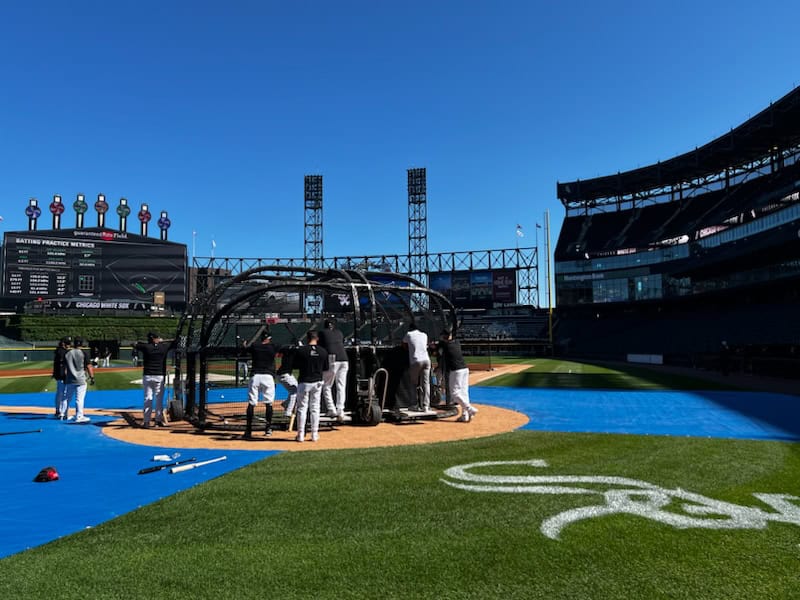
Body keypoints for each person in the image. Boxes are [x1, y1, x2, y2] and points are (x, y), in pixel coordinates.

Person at [293, 330, 328, 442]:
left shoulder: (301, 350)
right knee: (315, 408)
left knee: (302, 408)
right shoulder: (323, 351)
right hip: (317, 381)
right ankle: (314, 434)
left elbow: (295, 365)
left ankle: (301, 434)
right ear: (317, 338)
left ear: (307, 338)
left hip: (304, 381)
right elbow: (326, 368)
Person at [436, 329, 477, 422]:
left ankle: (470, 409)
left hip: (456, 370)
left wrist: (435, 345)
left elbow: (439, 349)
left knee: (455, 393)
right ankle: (464, 415)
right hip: (464, 369)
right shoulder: (456, 342)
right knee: (464, 393)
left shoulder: (445, 345)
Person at [241, 331, 277, 438]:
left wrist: (244, 345)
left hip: (255, 376)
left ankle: (248, 430)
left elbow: (246, 349)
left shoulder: (255, 346)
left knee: (251, 403)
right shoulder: (273, 347)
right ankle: (268, 428)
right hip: (268, 377)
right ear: (269, 339)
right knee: (269, 403)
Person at [134, 332, 173, 428]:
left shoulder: (146, 347)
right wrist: (161, 341)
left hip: (148, 375)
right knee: (159, 399)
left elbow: (134, 344)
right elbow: (175, 342)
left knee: (148, 398)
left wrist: (146, 343)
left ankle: (146, 422)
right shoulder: (163, 347)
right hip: (159, 375)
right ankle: (158, 421)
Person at [319, 319, 349, 421]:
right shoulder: (339, 332)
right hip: (344, 358)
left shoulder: (322, 332)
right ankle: (340, 410)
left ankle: (331, 409)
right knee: (341, 386)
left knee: (326, 385)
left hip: (332, 358)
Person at [63, 337, 94, 423]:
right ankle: (79, 416)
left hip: (70, 379)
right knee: (79, 399)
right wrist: (92, 377)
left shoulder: (68, 353)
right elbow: (89, 366)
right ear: (82, 344)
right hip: (80, 379)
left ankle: (63, 414)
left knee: (67, 397)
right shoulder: (83, 353)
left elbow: (65, 368)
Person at [403, 323, 431, 412]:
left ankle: (414, 404)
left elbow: (403, 345)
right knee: (426, 384)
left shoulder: (409, 334)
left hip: (416, 360)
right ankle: (426, 406)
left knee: (413, 384)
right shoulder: (424, 334)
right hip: (426, 360)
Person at [277, 342, 299, 426]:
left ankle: (285, 403)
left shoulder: (289, 351)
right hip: (284, 374)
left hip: (286, 374)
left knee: (295, 389)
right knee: (295, 392)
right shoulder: (290, 352)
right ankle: (288, 412)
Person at [52, 336, 71, 419]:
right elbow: (63, 365)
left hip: (59, 375)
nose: (69, 345)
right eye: (67, 343)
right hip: (63, 375)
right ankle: (62, 413)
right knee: (64, 394)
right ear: (63, 343)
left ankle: (58, 411)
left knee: (59, 393)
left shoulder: (59, 351)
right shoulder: (63, 352)